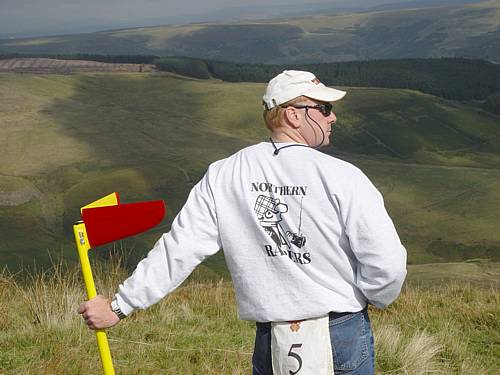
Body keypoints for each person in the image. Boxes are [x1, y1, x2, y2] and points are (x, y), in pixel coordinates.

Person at [79, 70, 407, 374]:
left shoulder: (226, 173)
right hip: (340, 330)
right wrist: (377, 297)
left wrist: (120, 306)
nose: (332, 116)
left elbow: (180, 248)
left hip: (271, 336)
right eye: (323, 108)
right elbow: (387, 263)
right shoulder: (344, 176)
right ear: (294, 115)